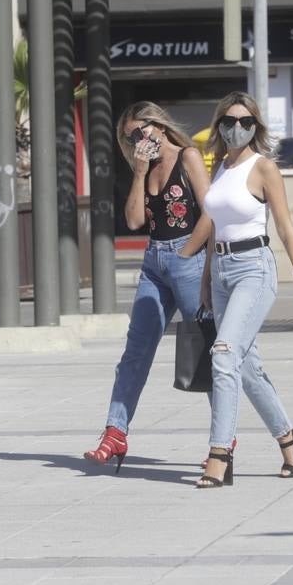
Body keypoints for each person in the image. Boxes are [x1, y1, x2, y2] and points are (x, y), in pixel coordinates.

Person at [197, 91, 293, 489]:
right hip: (221, 273)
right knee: (247, 368)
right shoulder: (218, 167)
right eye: (230, 122)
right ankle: (289, 439)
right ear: (220, 125)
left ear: (256, 127)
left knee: (224, 355)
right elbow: (215, 227)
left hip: (255, 269)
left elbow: (284, 225)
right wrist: (205, 279)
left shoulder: (263, 168)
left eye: (246, 122)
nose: (237, 129)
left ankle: (219, 454)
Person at [83, 103, 215, 472]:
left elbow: (211, 210)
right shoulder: (143, 166)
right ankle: (115, 432)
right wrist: (139, 172)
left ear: (158, 126)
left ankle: (222, 442)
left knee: (206, 351)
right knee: (135, 351)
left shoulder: (187, 156)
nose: (138, 141)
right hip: (154, 263)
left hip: (187, 260)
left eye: (141, 132)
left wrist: (190, 253)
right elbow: (134, 219)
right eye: (130, 138)